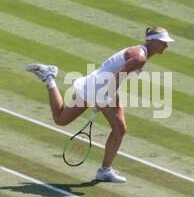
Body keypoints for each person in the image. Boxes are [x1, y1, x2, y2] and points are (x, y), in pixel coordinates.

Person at [25, 28, 173, 184]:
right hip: (102, 88)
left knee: (61, 119)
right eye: (163, 42)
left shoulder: (139, 52)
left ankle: (49, 77)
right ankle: (104, 171)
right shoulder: (140, 57)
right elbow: (118, 76)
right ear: (154, 41)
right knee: (119, 129)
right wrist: (103, 98)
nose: (166, 46)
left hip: (95, 84)